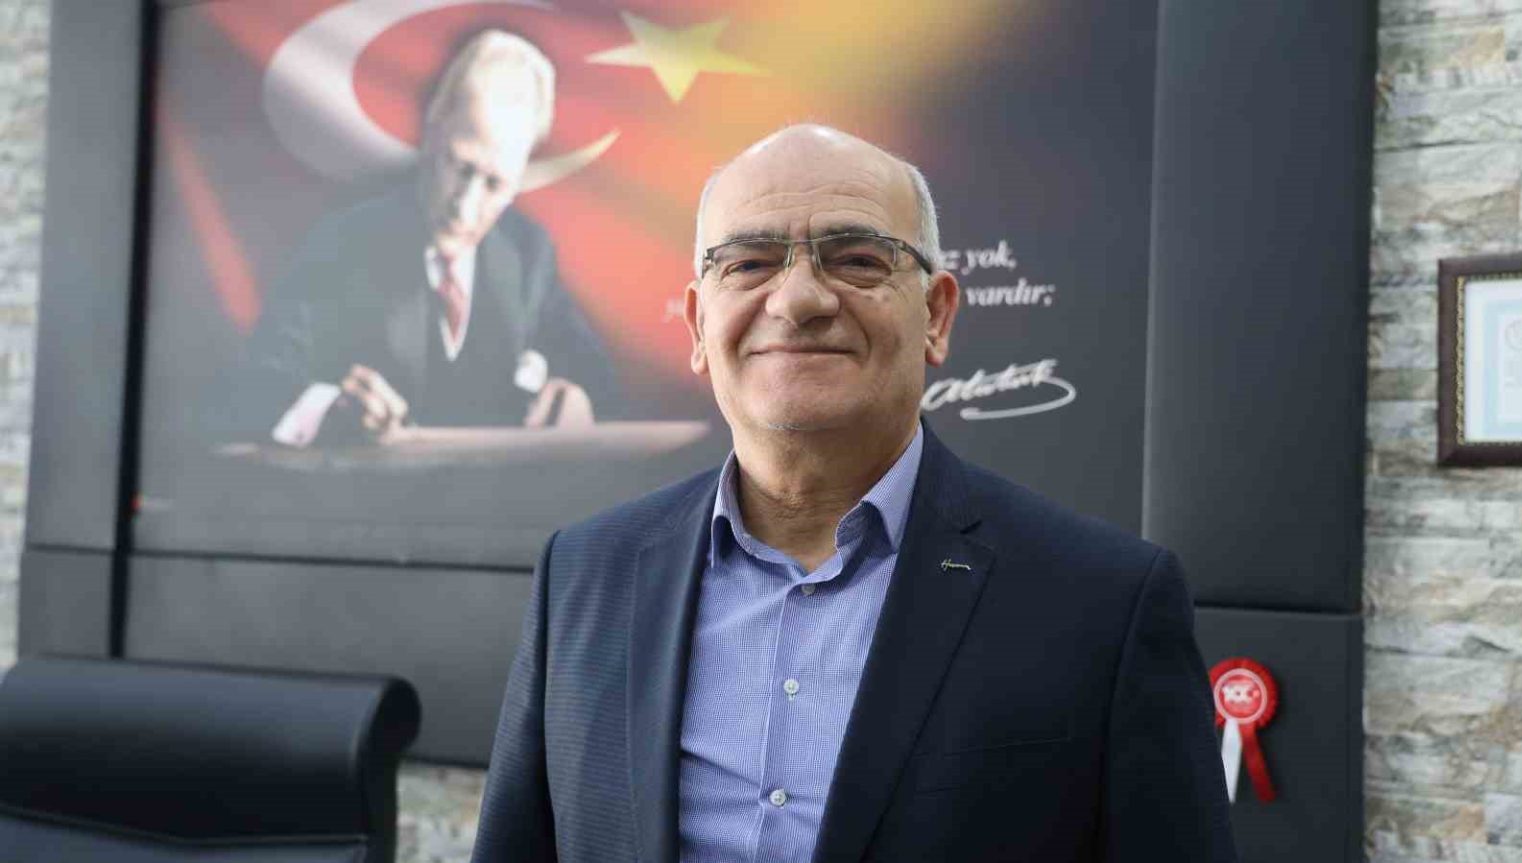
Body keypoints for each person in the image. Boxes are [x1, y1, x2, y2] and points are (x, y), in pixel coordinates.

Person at [470, 125, 1237, 862]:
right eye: (749, 262)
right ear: (699, 325)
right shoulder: (584, 575)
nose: (799, 298)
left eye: (858, 259)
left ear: (936, 314)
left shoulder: (1104, 604)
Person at [242, 30, 615, 446]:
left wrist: (577, 399)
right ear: (432, 131)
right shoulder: (342, 243)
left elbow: (598, 380)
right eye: (460, 167)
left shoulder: (528, 252)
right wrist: (331, 408)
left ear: (518, 178)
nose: (465, 206)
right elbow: (253, 386)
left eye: (494, 184)